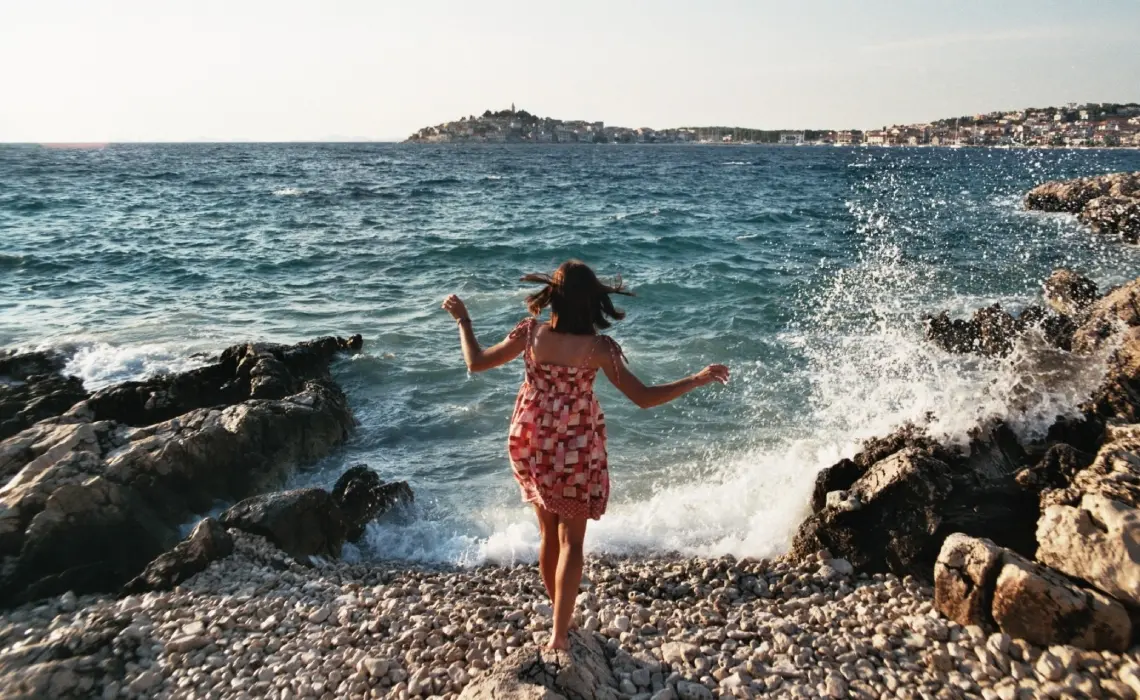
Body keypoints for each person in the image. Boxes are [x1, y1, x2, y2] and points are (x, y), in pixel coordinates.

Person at [441, 260, 729, 650]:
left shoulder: (530, 334)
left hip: (531, 443)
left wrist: (463, 320)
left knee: (548, 534)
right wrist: (697, 378)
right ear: (591, 303)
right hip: (574, 448)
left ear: (554, 297)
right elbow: (644, 398)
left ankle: (560, 617)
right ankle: (560, 634)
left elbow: (476, 362)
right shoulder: (598, 349)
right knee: (572, 542)